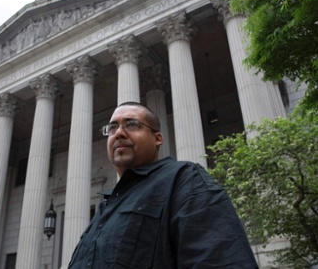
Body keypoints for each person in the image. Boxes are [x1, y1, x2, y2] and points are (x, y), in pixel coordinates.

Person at [68, 102, 258, 268]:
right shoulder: (105, 206)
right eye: (112, 128)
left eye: (131, 124)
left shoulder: (184, 179)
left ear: (158, 138)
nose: (118, 133)